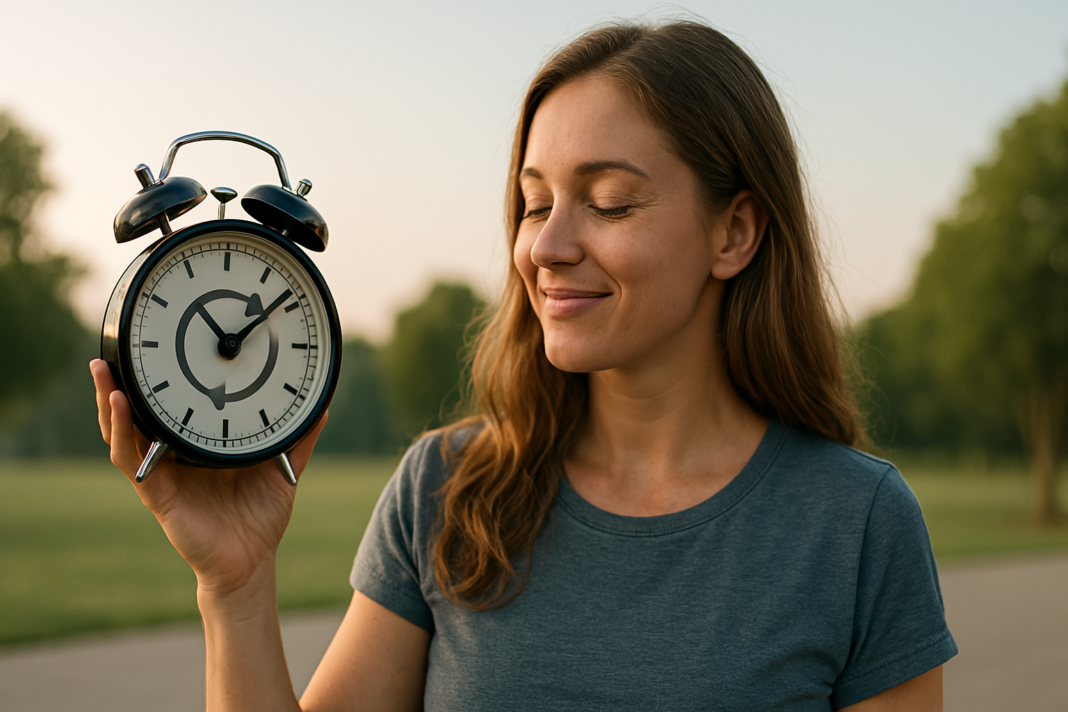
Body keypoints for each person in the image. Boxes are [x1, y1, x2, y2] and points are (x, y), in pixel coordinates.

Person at [91, 20, 956, 711]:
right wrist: (235, 587)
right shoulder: (444, 489)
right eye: (534, 202)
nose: (545, 245)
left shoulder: (857, 525)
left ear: (734, 232)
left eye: (609, 202)